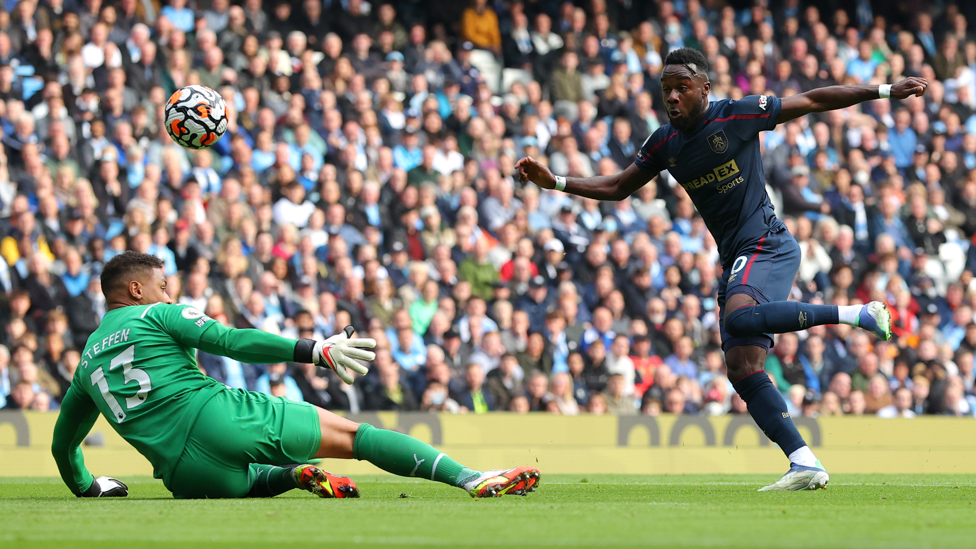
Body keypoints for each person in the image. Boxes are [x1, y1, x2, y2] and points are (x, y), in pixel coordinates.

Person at [516, 47, 928, 491]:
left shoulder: (736, 116)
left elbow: (810, 100)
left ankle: (857, 314)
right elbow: (618, 186)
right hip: (735, 256)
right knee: (742, 367)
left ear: (704, 89)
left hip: (768, 243)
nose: (672, 97)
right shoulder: (664, 143)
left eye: (682, 88)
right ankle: (804, 462)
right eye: (666, 90)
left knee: (737, 318)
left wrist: (884, 90)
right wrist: (555, 182)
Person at [51, 252, 539, 499]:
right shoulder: (156, 315)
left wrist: (88, 486)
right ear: (135, 289)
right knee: (355, 435)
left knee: (255, 479)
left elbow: (63, 446)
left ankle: (293, 475)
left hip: (185, 475)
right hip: (217, 417)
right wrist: (315, 350)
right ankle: (471, 478)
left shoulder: (87, 362)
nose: (167, 292)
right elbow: (230, 341)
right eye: (161, 285)